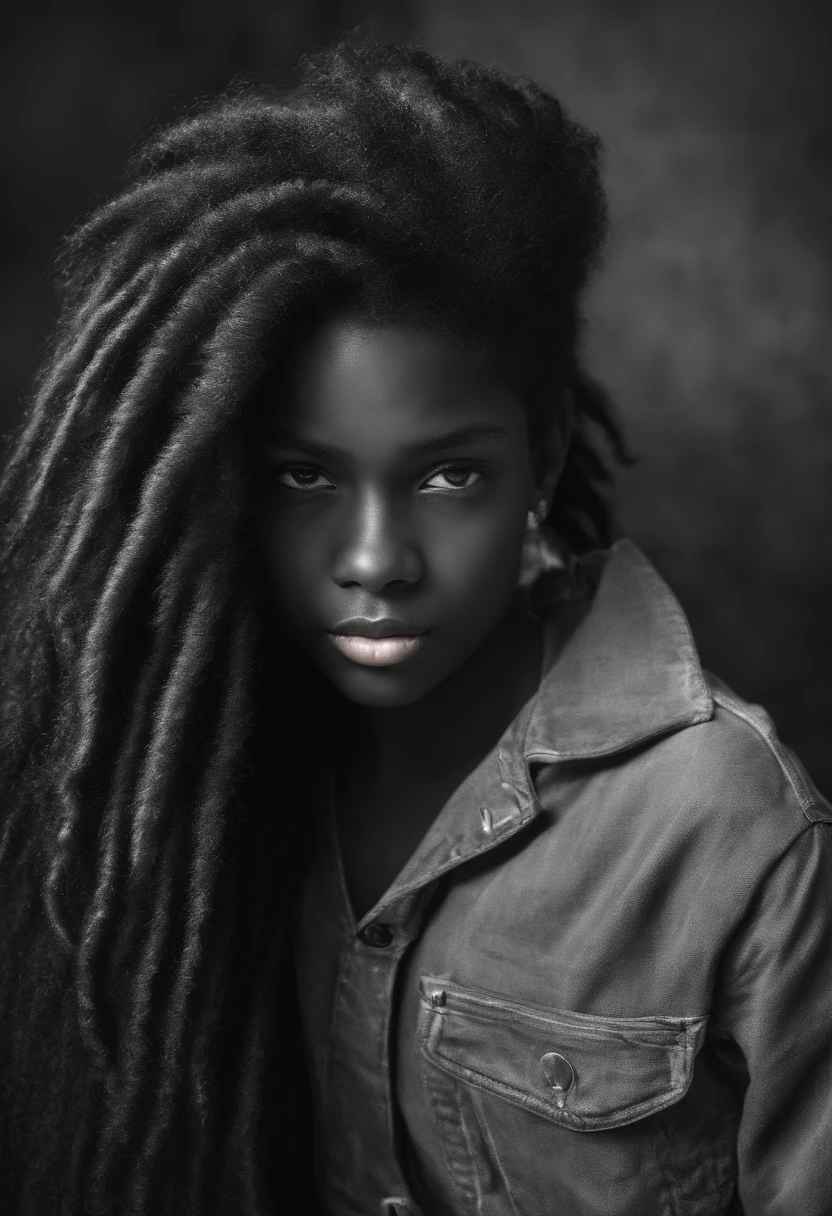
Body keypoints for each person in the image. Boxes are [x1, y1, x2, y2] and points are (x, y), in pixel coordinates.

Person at [0, 37, 829, 1216]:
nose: (376, 561)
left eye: (446, 478)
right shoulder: (205, 791)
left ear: (539, 456)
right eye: (305, 479)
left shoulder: (728, 830)